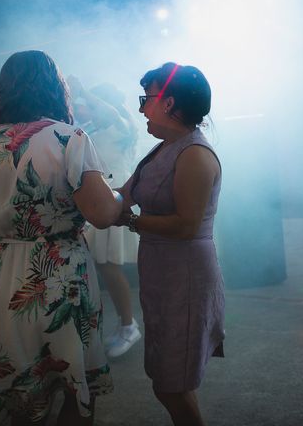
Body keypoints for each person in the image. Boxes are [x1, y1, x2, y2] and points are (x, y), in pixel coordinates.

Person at [0, 50, 122, 426]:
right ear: (56, 89)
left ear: (2, 91)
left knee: (21, 392)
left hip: (1, 277)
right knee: (72, 386)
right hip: (61, 271)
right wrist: (121, 196)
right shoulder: (70, 139)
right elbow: (101, 215)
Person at [116, 62, 225, 426]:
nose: (141, 108)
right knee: (167, 376)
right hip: (162, 272)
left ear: (169, 103)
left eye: (146, 98)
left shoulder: (194, 154)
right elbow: (124, 195)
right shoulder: (162, 149)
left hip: (186, 274)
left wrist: (128, 220)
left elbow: (185, 224)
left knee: (171, 384)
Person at [68, 76, 141, 358]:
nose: (84, 108)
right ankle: (122, 324)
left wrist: (84, 90)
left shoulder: (119, 123)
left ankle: (129, 325)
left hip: (114, 198)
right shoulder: (94, 128)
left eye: (88, 104)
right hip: (100, 199)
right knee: (102, 265)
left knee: (108, 265)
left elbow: (108, 114)